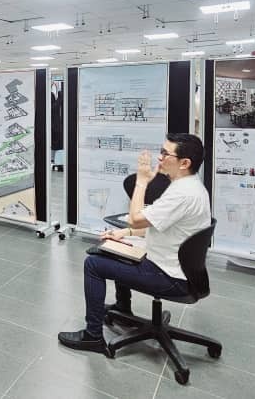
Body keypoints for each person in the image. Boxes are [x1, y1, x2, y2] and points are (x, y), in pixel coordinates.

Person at [58, 133, 211, 354]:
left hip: (169, 277)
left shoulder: (183, 194)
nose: (160, 158)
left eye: (165, 154)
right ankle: (123, 309)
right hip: (177, 267)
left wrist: (142, 181)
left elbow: (135, 218)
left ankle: (92, 336)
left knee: (93, 264)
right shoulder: (190, 187)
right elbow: (156, 224)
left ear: (184, 163)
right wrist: (126, 233)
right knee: (113, 249)